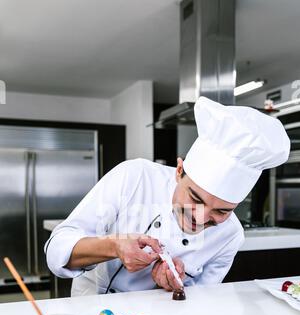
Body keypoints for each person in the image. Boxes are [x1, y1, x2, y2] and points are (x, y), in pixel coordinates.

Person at [45, 97, 290, 296]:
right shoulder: (135, 176)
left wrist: (177, 285)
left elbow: (203, 304)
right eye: (196, 198)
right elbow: (57, 249)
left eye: (222, 211)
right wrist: (113, 246)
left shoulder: (230, 236)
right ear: (179, 170)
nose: (201, 217)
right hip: (92, 309)